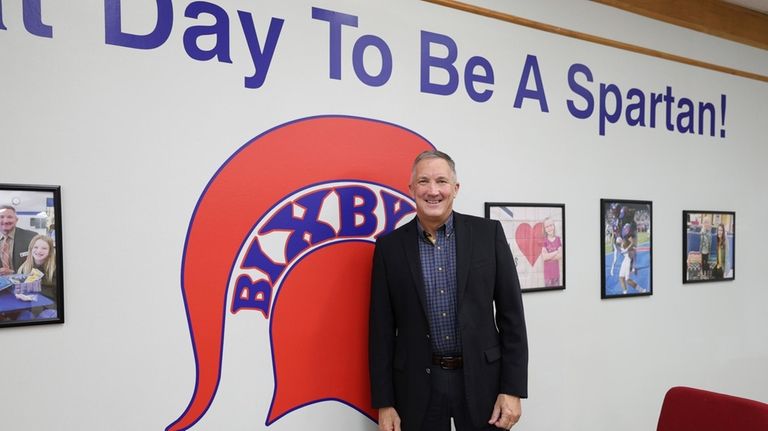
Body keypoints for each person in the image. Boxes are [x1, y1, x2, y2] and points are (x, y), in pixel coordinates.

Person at [369, 150, 528, 431]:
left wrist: (512, 389)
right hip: (416, 387)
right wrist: (385, 403)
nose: (433, 191)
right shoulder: (389, 248)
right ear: (411, 189)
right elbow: (381, 332)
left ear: (455, 189)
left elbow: (512, 318)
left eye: (441, 181)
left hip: (483, 382)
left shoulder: (487, 235)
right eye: (423, 182)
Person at [0, 205, 38, 276]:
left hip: (24, 284)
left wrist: (17, 274)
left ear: (16, 220)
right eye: (1, 217)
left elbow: (40, 265)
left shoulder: (32, 237)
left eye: (9, 217)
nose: (5, 221)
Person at [17, 234, 57, 301]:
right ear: (31, 249)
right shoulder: (23, 267)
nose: (39, 251)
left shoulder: (55, 269)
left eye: (44, 248)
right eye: (35, 247)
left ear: (50, 251)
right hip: (28, 304)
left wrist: (33, 296)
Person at [618, 223, 644, 294]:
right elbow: (623, 249)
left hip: (628, 260)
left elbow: (632, 249)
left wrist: (633, 266)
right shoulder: (625, 238)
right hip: (625, 260)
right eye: (625, 228)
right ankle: (625, 292)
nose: (624, 229)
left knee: (627, 280)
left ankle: (641, 290)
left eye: (626, 228)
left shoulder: (629, 237)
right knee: (621, 277)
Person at [540, 217, 562, 287]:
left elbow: (560, 255)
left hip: (556, 274)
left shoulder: (558, 239)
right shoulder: (544, 241)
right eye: (547, 227)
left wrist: (549, 255)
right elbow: (544, 257)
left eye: (551, 225)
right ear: (545, 229)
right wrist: (556, 252)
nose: (549, 228)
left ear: (554, 226)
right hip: (548, 275)